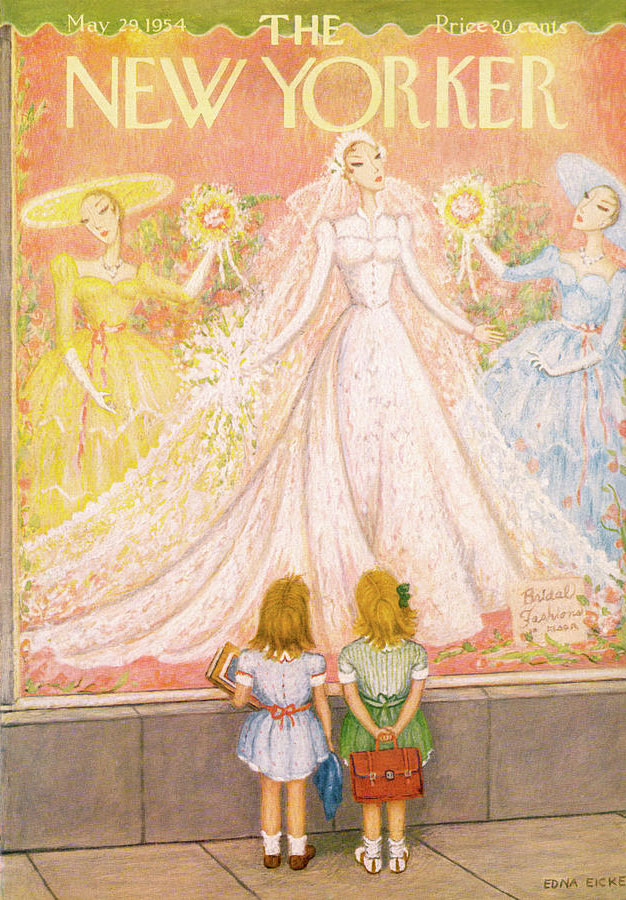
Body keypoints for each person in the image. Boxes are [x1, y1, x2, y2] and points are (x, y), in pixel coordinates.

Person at [22, 135, 616, 669]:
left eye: (381, 156)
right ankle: (358, 589)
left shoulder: (398, 228)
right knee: (346, 463)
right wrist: (263, 350)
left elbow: (422, 290)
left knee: (406, 463)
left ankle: (409, 590)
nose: (378, 166)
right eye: (364, 160)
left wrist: (465, 328)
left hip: (394, 349)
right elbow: (307, 303)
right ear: (346, 170)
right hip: (351, 346)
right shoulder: (333, 231)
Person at [18, 175, 214, 532]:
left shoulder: (137, 274)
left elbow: (186, 293)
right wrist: (90, 388)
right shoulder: (69, 265)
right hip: (81, 367)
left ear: (119, 212)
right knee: (91, 445)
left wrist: (215, 246)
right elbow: (63, 339)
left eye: (104, 212)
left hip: (130, 365)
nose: (99, 226)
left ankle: (136, 528)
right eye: (88, 221)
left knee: (135, 441)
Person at [474, 154, 626, 559]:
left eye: (602, 207)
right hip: (549, 345)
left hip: (588, 368)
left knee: (585, 453)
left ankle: (576, 550)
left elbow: (607, 343)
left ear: (612, 222)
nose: (586, 208)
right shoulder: (558, 257)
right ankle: (527, 546)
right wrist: (475, 241)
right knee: (531, 438)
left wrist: (563, 368)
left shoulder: (618, 275)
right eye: (588, 198)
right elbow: (509, 274)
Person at [232, 575, 333, 870]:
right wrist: (327, 736)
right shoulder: (313, 661)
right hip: (302, 730)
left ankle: (271, 851)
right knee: (297, 791)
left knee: (270, 790)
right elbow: (321, 702)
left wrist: (249, 698)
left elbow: (239, 700)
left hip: (267, 732)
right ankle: (298, 852)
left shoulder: (249, 658)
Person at [338, 570, 433, 874]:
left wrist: (374, 730)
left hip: (364, 731)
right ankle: (397, 851)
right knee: (397, 790)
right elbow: (414, 698)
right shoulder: (416, 652)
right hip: (403, 729)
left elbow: (352, 700)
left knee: (371, 790)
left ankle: (371, 852)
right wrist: (396, 730)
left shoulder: (350, 654)